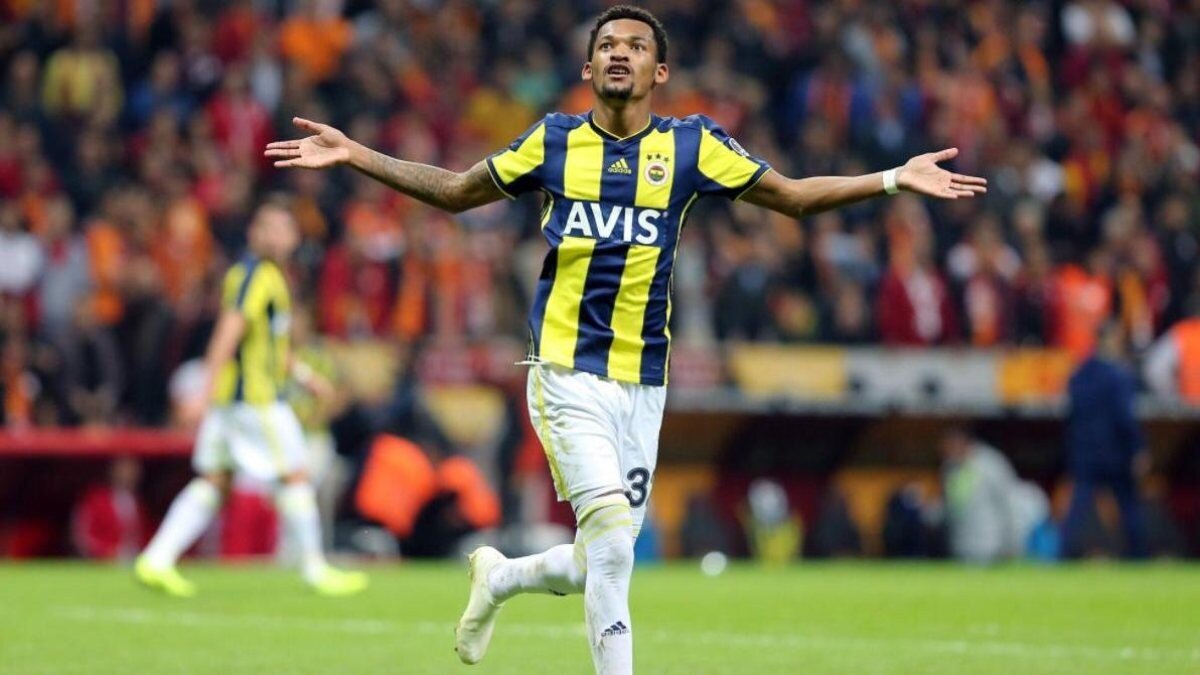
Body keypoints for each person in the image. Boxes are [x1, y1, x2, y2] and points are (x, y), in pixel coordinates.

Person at [265, 6, 986, 672]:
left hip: (643, 383)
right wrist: (356, 154)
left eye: (636, 46)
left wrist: (893, 178)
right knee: (612, 540)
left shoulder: (692, 146)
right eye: (607, 45)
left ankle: (502, 576)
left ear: (658, 71)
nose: (619, 53)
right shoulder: (553, 141)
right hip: (565, 372)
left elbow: (793, 196)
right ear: (588, 67)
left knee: (599, 559)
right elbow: (456, 191)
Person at [135, 198, 368, 597]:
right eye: (266, 228)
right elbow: (229, 332)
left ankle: (156, 559)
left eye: (282, 229)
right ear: (253, 234)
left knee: (216, 481)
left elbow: (271, 345)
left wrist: (304, 375)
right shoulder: (255, 275)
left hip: (233, 403)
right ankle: (315, 569)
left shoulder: (270, 278)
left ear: (294, 238)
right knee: (295, 474)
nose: (274, 236)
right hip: (256, 402)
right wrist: (202, 392)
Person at [1062, 321, 1148, 558]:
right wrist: (1138, 448)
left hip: (1086, 452)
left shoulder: (1080, 374)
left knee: (1078, 508)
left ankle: (1061, 554)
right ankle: (1138, 557)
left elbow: (1072, 415)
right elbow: (1125, 418)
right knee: (1128, 507)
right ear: (1110, 340)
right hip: (1115, 453)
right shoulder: (1119, 376)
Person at [939, 427, 1048, 564]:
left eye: (952, 448)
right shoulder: (950, 468)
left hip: (990, 543)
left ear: (963, 443)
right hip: (962, 544)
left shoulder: (991, 464)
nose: (949, 454)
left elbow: (1008, 503)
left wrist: (1011, 541)